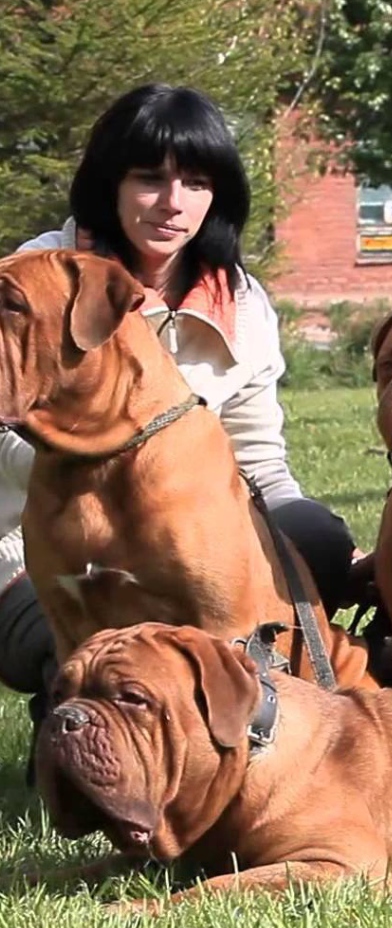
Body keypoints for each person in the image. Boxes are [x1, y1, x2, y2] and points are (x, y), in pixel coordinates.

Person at [0, 83, 369, 707]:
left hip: (179, 536)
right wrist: (119, 459)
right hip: (24, 548)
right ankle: (79, 713)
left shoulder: (241, 302)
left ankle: (275, 684)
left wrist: (336, 561)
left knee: (317, 537)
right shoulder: (36, 279)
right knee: (78, 646)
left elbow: (258, 461)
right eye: (149, 179)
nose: (173, 203)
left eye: (196, 184)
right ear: (108, 183)